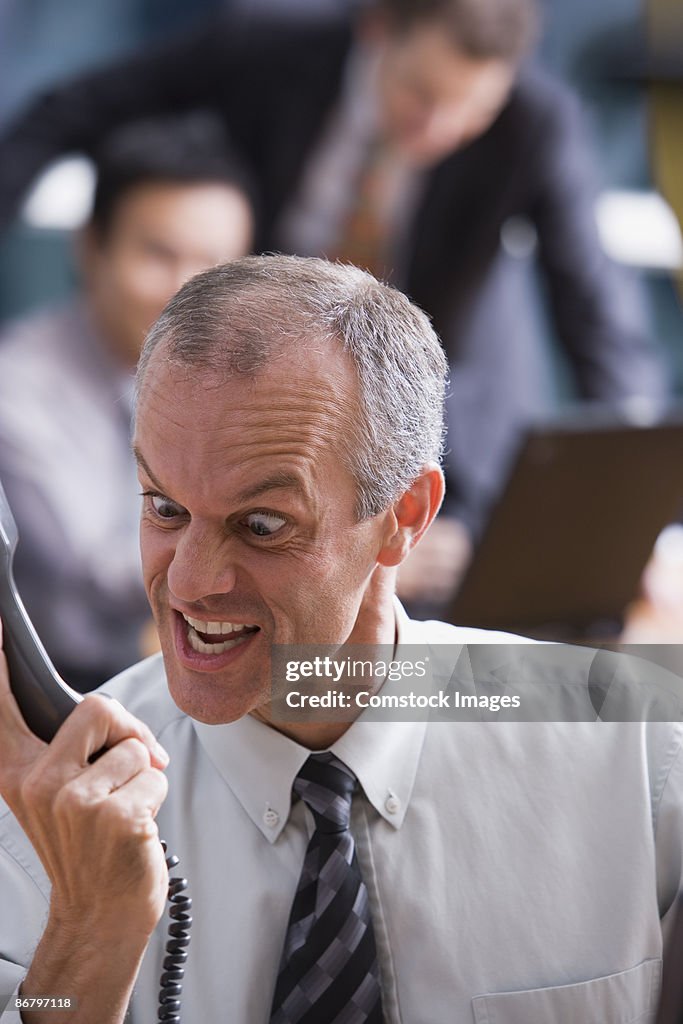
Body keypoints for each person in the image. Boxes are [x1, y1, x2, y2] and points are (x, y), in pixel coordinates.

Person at [0, 255, 680, 1023]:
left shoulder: (644, 755)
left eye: (261, 525)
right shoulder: (39, 822)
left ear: (406, 516)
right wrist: (89, 937)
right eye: (163, 508)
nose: (188, 583)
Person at [0, 0, 669, 608]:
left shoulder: (534, 119)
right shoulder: (264, 48)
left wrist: (635, 512)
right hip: (263, 382)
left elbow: (595, 311)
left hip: (439, 418)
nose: (438, 128)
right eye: (420, 95)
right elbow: (68, 109)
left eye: (471, 110)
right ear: (378, 29)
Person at [0, 114, 255, 691]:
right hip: (78, 686)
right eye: (159, 254)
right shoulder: (16, 386)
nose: (188, 288)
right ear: (91, 249)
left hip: (202, 653)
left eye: (217, 264)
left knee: (465, 687)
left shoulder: (244, 375)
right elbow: (88, 575)